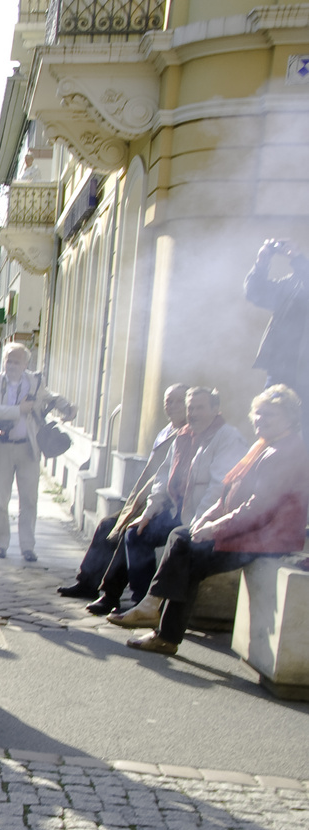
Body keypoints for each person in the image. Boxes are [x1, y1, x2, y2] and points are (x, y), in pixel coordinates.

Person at [127, 386, 309, 655]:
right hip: (246, 531)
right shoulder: (265, 446)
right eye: (257, 414)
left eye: (269, 415)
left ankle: (157, 615)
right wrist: (208, 518)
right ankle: (161, 626)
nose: (259, 420)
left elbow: (258, 508)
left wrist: (215, 528)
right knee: (183, 546)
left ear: (289, 418)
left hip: (265, 538)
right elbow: (229, 492)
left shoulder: (286, 451)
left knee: (182, 546)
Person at [107, 386, 249, 626]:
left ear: (216, 409)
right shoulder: (184, 435)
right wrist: (149, 512)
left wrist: (198, 523)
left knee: (178, 538)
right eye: (191, 408)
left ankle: (154, 608)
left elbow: (218, 488)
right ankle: (144, 604)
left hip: (204, 516)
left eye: (200, 408)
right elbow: (162, 478)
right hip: (178, 508)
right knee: (136, 533)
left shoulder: (227, 437)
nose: (193, 413)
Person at [58, 383, 187, 605]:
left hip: (169, 505)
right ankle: (87, 582)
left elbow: (170, 477)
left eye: (178, 401)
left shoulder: (186, 434)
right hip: (148, 498)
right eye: (169, 401)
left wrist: (148, 504)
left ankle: (111, 594)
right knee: (108, 525)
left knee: (130, 531)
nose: (172, 406)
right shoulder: (166, 430)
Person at [0, 342, 74, 561]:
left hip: (28, 448)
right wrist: (18, 410)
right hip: (1, 447)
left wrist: (68, 407)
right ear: (4, 361)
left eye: (16, 361)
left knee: (30, 500)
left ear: (25, 364)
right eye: (8, 360)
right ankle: (0, 543)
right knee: (0, 500)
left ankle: (27, 547)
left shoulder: (34, 382)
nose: (12, 365)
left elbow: (51, 398)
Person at [244, 239, 309, 402]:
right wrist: (262, 263)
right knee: (270, 414)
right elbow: (256, 293)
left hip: (304, 376)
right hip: (280, 371)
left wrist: (297, 258)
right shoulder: (293, 283)